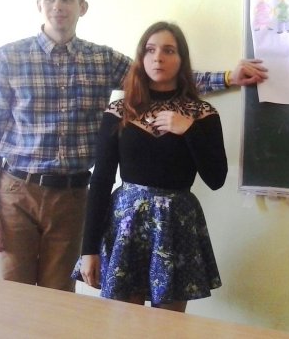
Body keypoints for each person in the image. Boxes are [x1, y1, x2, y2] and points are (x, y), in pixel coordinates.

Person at [0, 0, 266, 292]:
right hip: (17, 191)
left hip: (72, 197)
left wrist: (228, 78)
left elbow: (160, 75)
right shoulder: (7, 58)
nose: (58, 6)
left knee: (58, 299)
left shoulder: (101, 60)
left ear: (82, 7)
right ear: (38, 5)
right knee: (12, 295)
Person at [75, 21, 226, 311]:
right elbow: (101, 180)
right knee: (124, 322)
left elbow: (216, 178)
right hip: (126, 225)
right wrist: (88, 249)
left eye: (169, 50)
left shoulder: (202, 114)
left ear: (181, 59)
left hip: (176, 226)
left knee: (167, 326)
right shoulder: (120, 111)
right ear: (141, 58)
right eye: (150, 50)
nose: (158, 58)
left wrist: (189, 130)